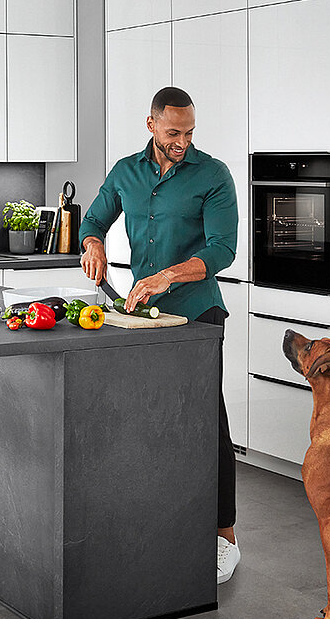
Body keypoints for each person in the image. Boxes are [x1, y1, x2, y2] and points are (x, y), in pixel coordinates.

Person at [78, 86, 240, 585]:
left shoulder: (212, 175)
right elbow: (94, 217)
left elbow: (222, 249)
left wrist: (168, 275)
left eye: (189, 132)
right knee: (150, 421)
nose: (183, 141)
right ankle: (162, 522)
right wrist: (92, 243)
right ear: (151, 125)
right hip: (143, 314)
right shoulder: (125, 171)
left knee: (206, 421)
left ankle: (224, 538)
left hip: (197, 312)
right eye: (174, 132)